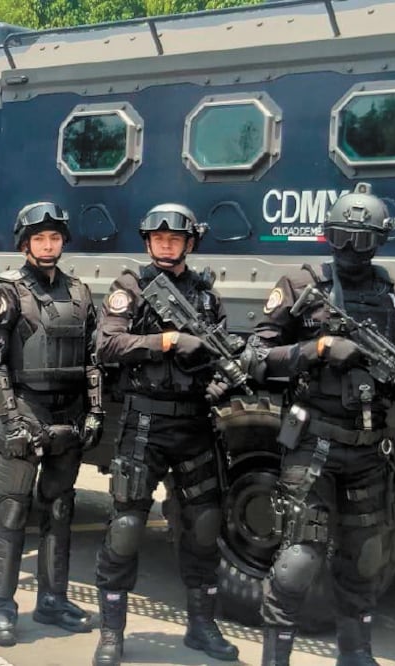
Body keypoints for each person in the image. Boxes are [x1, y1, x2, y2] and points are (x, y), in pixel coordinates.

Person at [246, 183, 395, 666]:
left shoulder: (393, 295)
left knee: (366, 558)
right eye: (343, 237)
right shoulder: (302, 287)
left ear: (380, 241)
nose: (351, 249)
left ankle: (356, 653)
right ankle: (275, 656)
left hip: (367, 447)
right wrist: (316, 350)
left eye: (363, 240)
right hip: (314, 443)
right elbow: (256, 358)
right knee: (300, 558)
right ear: (328, 237)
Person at [92, 203, 239, 665]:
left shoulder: (206, 294)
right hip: (145, 423)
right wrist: (167, 341)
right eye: (158, 239)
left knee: (204, 527)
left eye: (174, 239)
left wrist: (218, 380)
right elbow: (107, 345)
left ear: (189, 243)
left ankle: (201, 627)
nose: (166, 245)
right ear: (148, 242)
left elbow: (220, 355)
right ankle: (111, 633)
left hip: (194, 422)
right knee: (127, 527)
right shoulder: (130, 287)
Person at [0, 202, 103, 647]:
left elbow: (92, 360)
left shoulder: (80, 291)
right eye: (39, 239)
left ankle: (52, 599)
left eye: (54, 238)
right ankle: (0, 604)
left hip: (69, 410)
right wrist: (9, 418)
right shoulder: (5, 291)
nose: (48, 246)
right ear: (24, 243)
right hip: (25, 407)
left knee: (60, 510)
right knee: (10, 510)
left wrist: (95, 411)